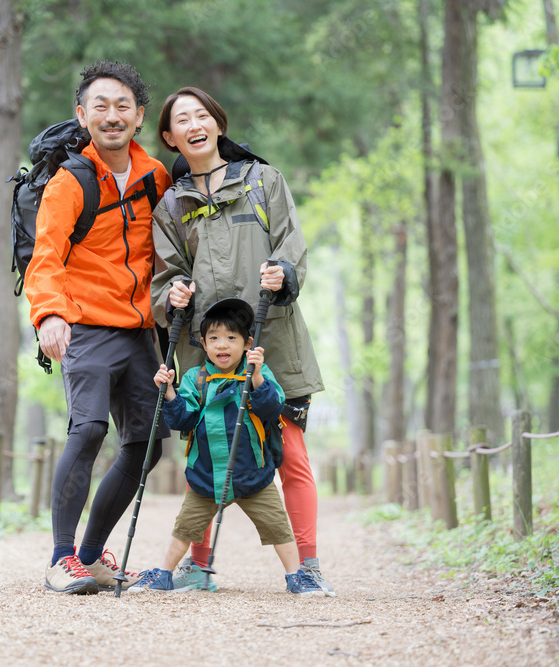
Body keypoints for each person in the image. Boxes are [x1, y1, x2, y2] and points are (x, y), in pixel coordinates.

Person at [150, 87, 334, 594]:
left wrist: (283, 272)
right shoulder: (171, 203)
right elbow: (164, 278)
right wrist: (175, 293)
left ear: (218, 123)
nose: (194, 123)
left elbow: (291, 246)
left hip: (271, 339)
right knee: (206, 454)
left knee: (291, 456)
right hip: (205, 353)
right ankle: (198, 566)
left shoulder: (264, 181)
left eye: (202, 114)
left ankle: (308, 564)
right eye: (181, 119)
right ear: (170, 137)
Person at [24, 61, 173, 595]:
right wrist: (49, 314)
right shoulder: (70, 180)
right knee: (87, 430)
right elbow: (46, 256)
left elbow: (171, 252)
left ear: (139, 116)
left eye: (123, 106)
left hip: (139, 333)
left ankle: (92, 557)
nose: (112, 116)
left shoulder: (157, 176)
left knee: (148, 442)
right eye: (101, 106)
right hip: (84, 326)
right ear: (82, 114)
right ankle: (61, 559)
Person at [126, 299, 324, 595]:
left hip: (253, 475)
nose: (223, 345)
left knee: (277, 527)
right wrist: (168, 393)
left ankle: (297, 576)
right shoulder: (197, 378)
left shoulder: (257, 373)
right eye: (214, 338)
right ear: (203, 344)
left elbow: (272, 409)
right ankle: (165, 573)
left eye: (232, 338)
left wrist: (256, 377)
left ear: (247, 344)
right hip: (207, 476)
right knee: (185, 528)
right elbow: (184, 419)